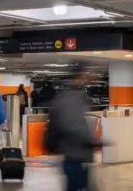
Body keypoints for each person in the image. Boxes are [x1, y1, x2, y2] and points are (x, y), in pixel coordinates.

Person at [48, 63, 103, 191]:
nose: (88, 78)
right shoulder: (71, 98)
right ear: (78, 76)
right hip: (75, 154)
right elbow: (72, 125)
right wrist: (90, 141)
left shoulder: (71, 96)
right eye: (85, 75)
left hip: (76, 154)